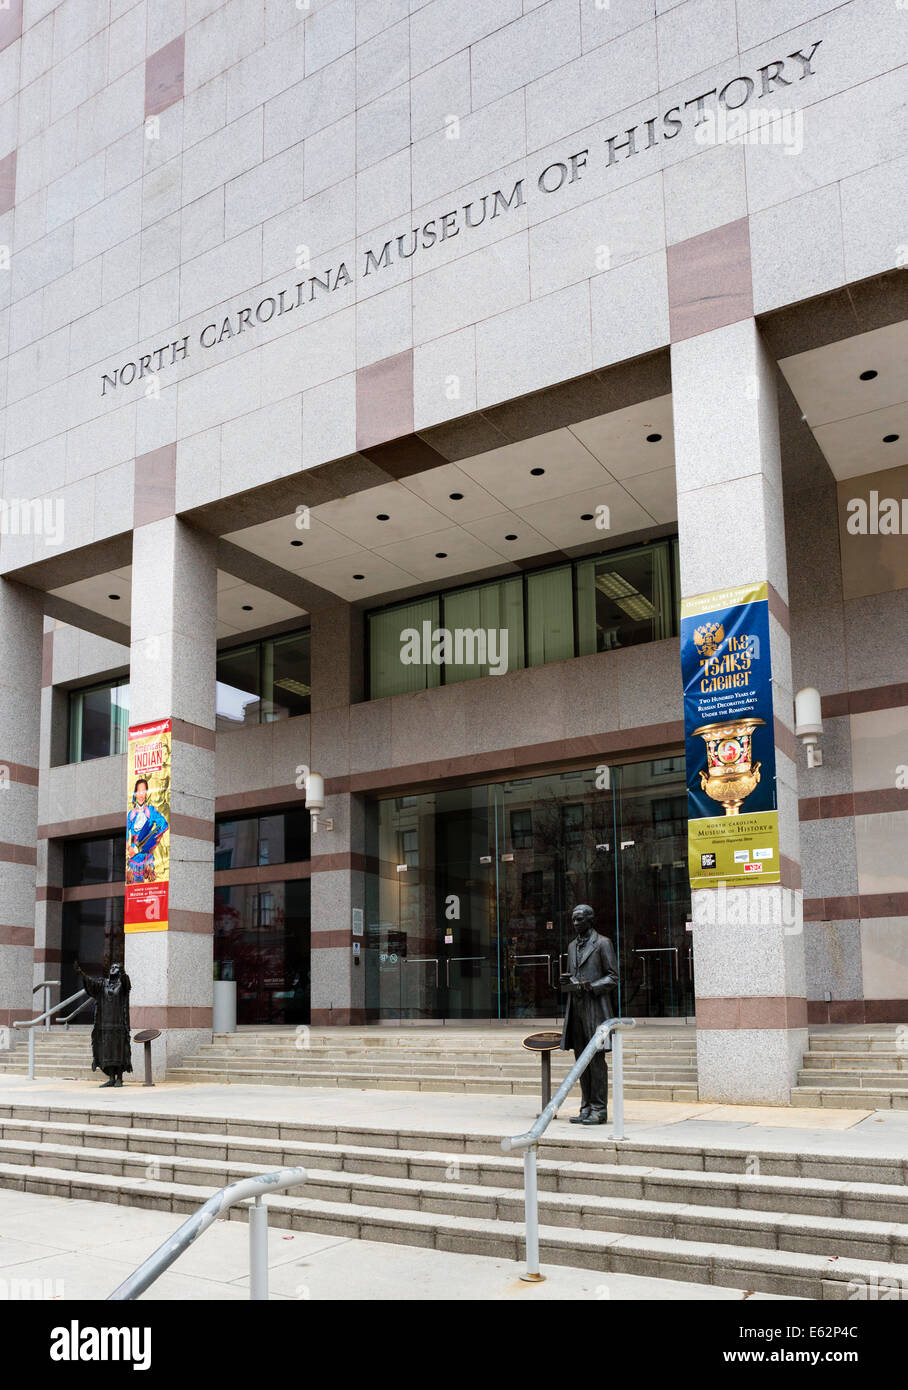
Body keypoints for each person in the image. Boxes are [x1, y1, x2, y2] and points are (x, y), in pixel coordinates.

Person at [560, 904, 619, 1125]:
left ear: (590, 920)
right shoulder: (572, 946)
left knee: (596, 1060)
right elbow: (573, 975)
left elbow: (613, 977)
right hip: (575, 1010)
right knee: (580, 1061)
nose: (575, 924)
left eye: (579, 920)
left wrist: (590, 986)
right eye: (573, 920)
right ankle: (585, 1107)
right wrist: (567, 982)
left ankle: (599, 1109)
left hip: (595, 1009)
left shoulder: (603, 943)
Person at [75, 960, 133, 1087]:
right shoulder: (103, 984)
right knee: (107, 1052)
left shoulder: (122, 985)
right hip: (105, 1025)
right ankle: (111, 1078)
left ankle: (119, 1078)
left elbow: (126, 983)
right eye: (112, 967)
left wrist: (123, 973)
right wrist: (82, 974)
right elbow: (91, 984)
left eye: (116, 967)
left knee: (119, 1052)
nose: (113, 969)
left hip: (119, 1024)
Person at [126, 778, 167, 885]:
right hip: (133, 854)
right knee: (134, 888)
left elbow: (163, 823)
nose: (141, 794)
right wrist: (128, 847)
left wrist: (156, 839)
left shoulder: (150, 810)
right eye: (139, 791)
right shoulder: (131, 814)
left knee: (148, 886)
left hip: (146, 852)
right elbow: (126, 833)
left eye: (144, 791)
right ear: (135, 794)